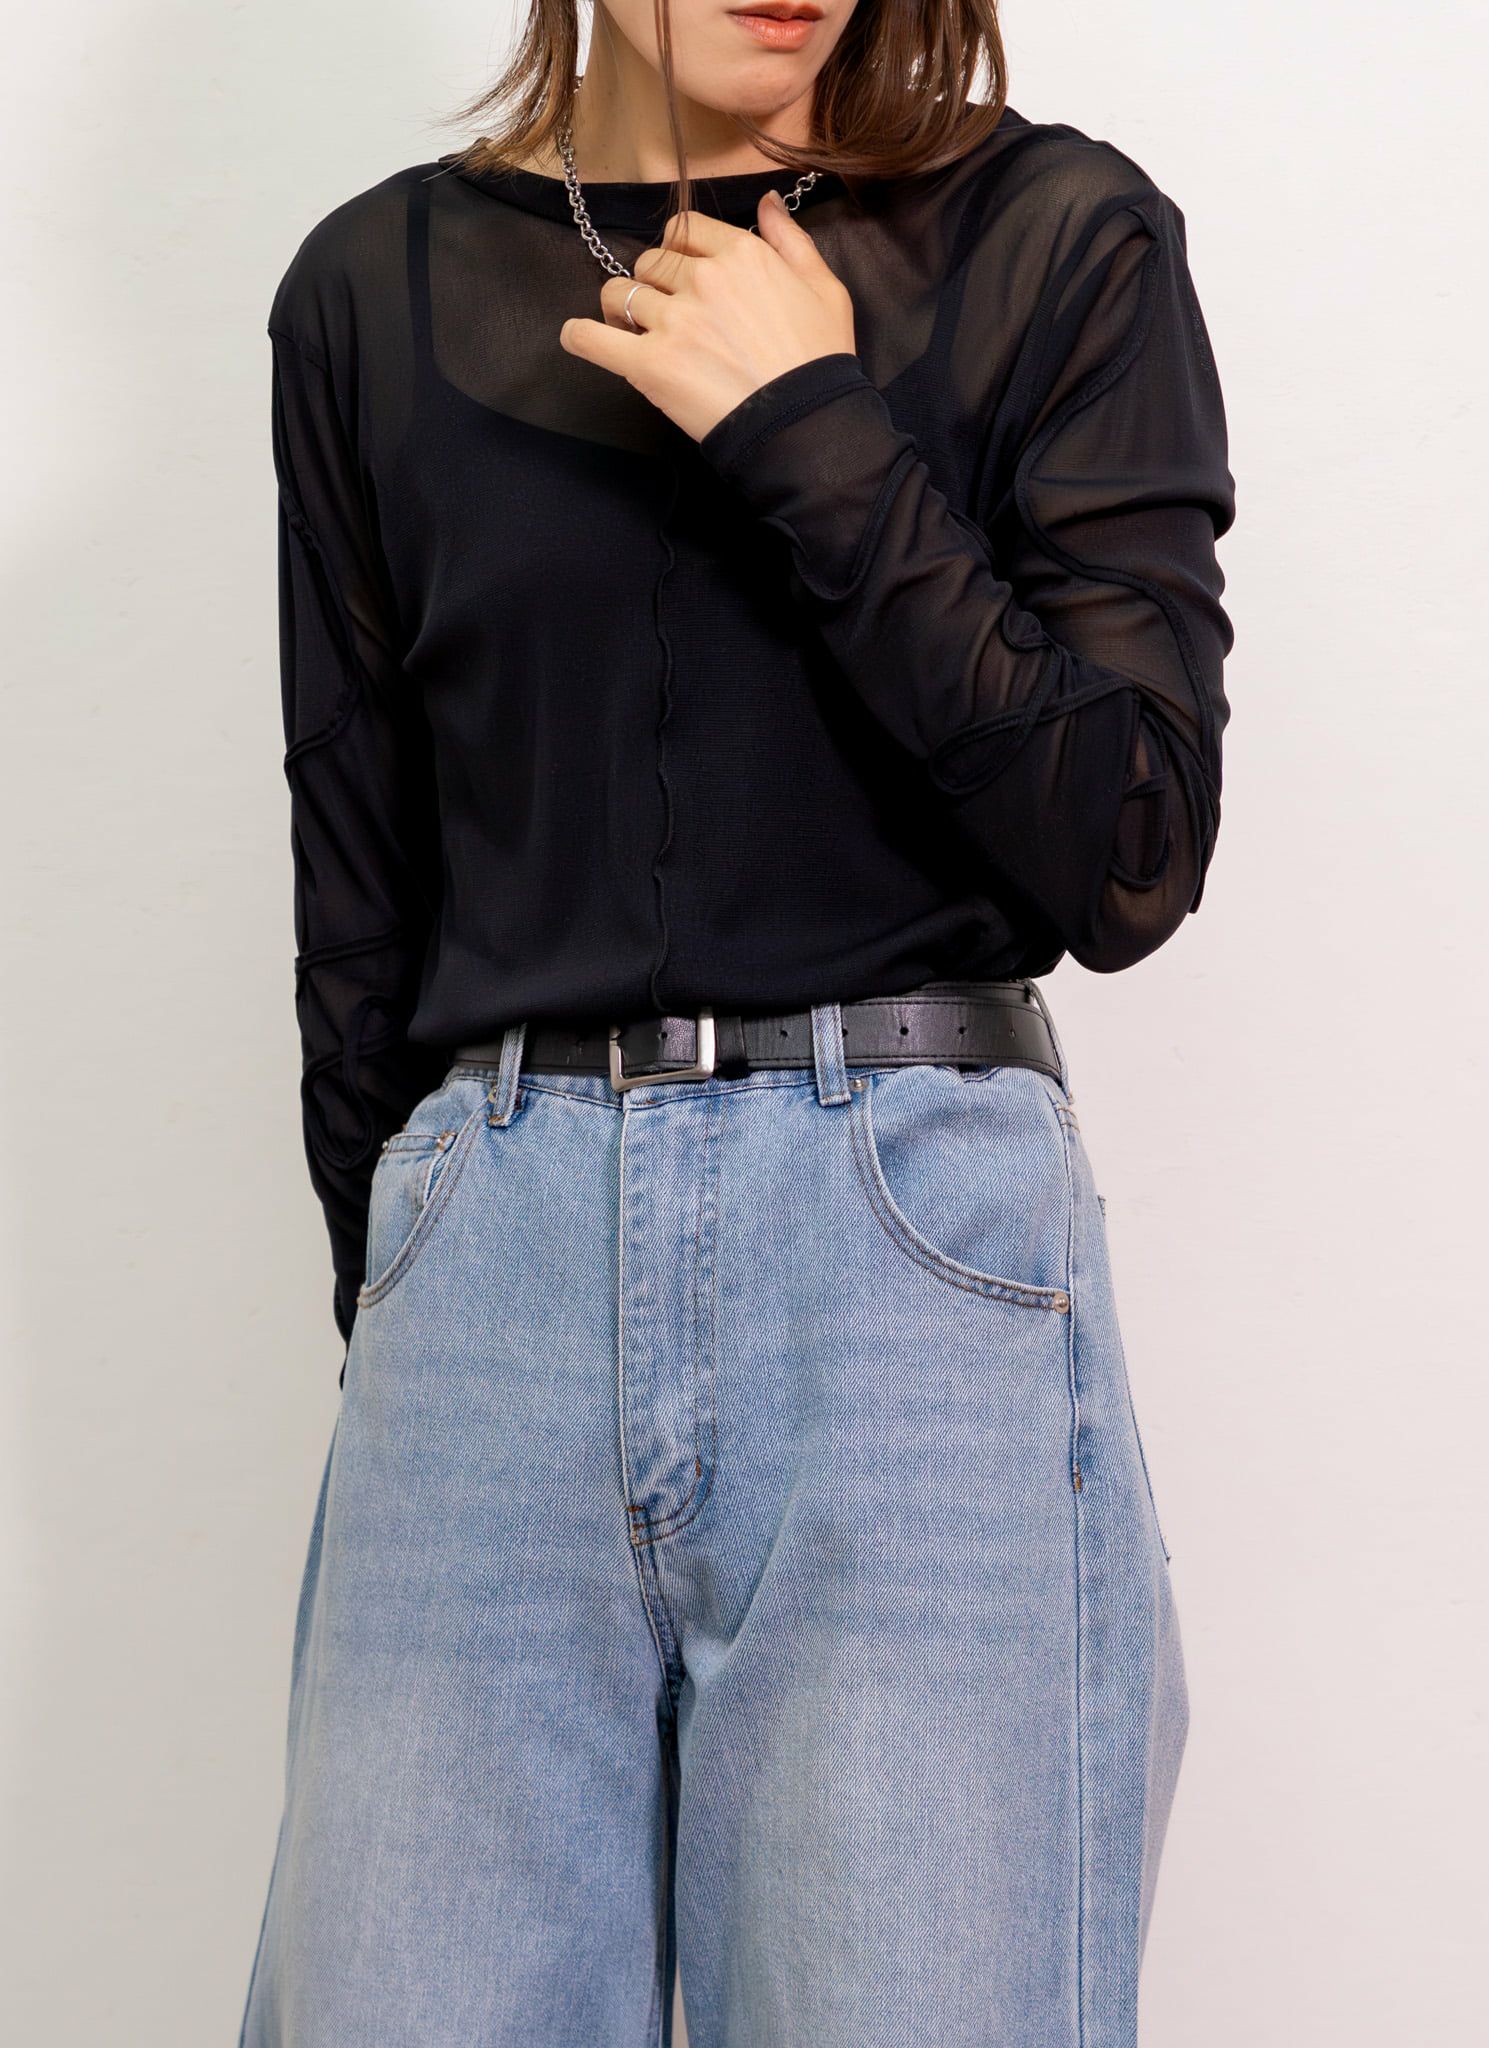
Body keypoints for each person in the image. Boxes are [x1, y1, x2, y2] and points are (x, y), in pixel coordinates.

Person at [238, 0, 1235, 2039]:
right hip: (487, 1260)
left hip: (908, 1261)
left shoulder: (1055, 236)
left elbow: (1125, 849)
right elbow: (361, 892)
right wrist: (408, 1283)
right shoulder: (368, 287)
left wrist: (808, 427)